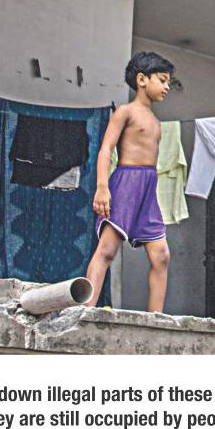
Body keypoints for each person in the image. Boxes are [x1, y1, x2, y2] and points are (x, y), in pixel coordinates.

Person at [83, 51, 176, 312]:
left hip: (148, 188)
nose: (167, 87)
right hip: (126, 183)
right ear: (142, 79)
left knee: (162, 256)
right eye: (162, 80)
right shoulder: (126, 112)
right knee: (107, 250)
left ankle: (156, 319)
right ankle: (86, 310)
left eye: (168, 82)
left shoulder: (156, 121)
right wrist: (102, 187)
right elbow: (106, 149)